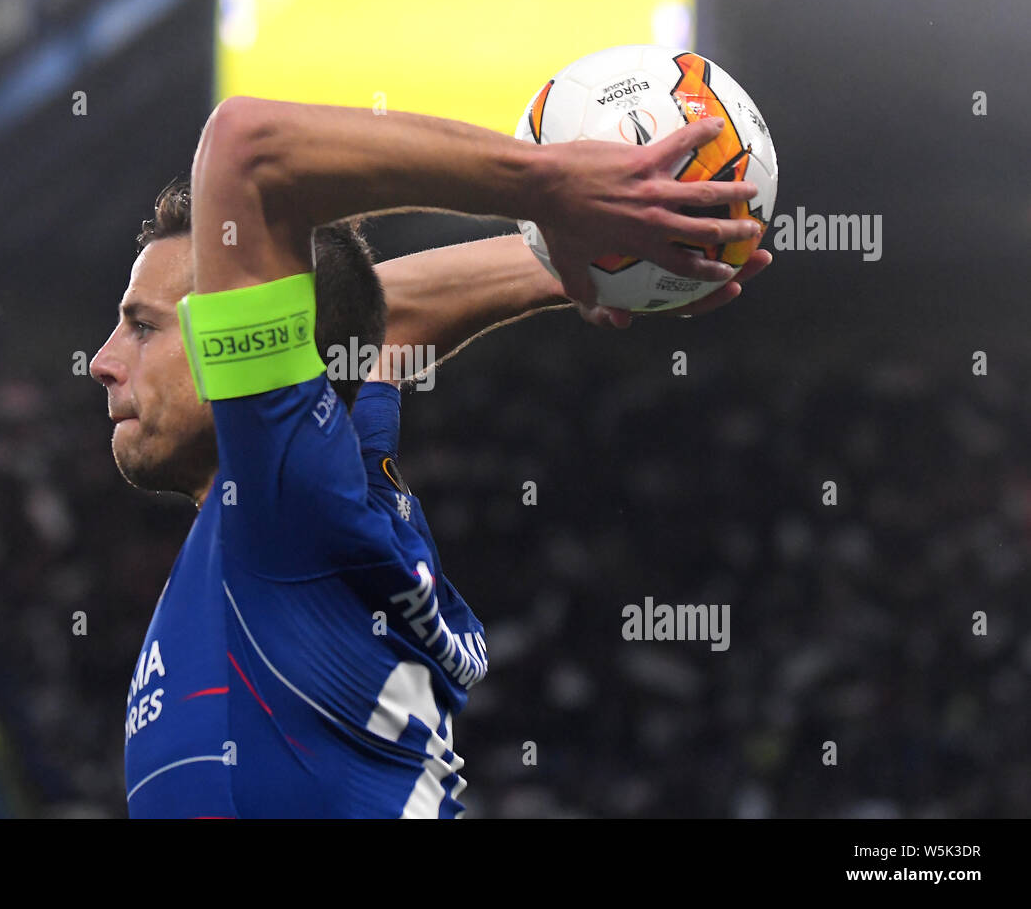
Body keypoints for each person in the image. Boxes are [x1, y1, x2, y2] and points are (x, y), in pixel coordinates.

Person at [90, 97, 770, 817]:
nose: (102, 361)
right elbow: (378, 321)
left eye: (141, 326)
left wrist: (547, 183)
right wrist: (594, 256)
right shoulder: (324, 488)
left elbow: (246, 144)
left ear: (235, 350)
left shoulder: (280, 499)